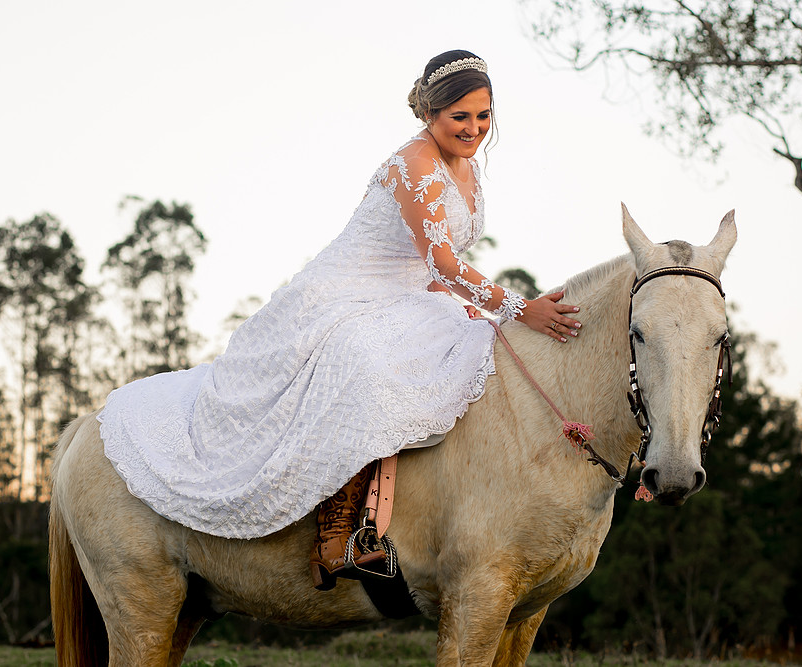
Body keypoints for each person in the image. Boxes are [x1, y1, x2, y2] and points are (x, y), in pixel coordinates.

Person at [97, 50, 583, 592]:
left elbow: (438, 271)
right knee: (369, 367)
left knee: (474, 356)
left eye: (483, 116)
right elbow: (442, 259)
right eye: (460, 118)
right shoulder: (415, 164)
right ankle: (338, 533)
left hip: (413, 292)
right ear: (429, 113)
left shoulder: (467, 165)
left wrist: (474, 306)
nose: (473, 129)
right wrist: (520, 308)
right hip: (351, 291)